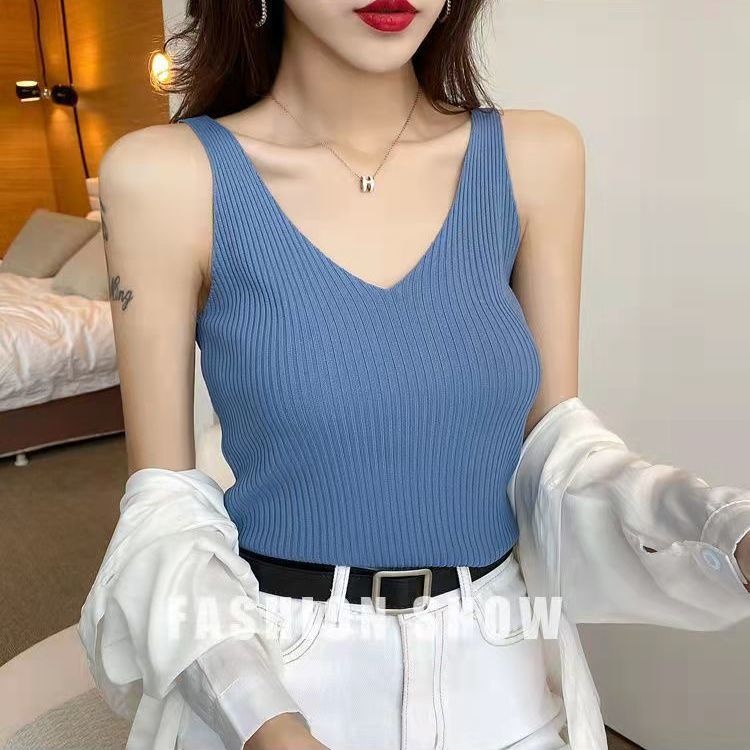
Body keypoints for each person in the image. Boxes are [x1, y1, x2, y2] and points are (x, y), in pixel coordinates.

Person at [95, 1, 750, 748]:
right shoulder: (165, 177)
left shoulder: (536, 157)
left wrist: (724, 525)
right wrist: (266, 724)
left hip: (498, 661)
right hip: (277, 674)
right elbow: (164, 508)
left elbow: (558, 454)